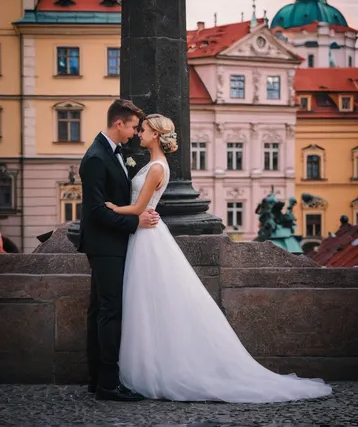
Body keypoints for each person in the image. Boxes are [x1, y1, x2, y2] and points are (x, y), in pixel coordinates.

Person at [105, 113, 332, 403]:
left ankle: (152, 368)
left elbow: (138, 207)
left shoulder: (155, 169)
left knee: (147, 300)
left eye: (145, 130)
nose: (140, 134)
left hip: (147, 235)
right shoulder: (157, 165)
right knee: (151, 301)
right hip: (149, 234)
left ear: (157, 135)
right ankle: (151, 365)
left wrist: (110, 207)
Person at [78, 99, 160, 402]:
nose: (135, 133)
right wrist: (135, 221)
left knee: (99, 310)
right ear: (119, 124)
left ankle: (97, 380)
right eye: (134, 127)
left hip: (107, 244)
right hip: (105, 245)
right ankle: (108, 385)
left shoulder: (110, 153)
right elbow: (96, 211)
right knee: (110, 312)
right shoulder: (97, 157)